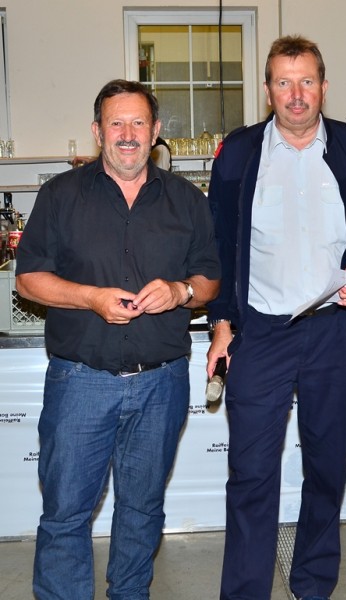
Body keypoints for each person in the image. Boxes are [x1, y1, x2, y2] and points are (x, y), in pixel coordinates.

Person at [206, 35, 346, 600]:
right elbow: (217, 249)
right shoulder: (238, 154)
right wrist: (222, 325)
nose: (296, 94)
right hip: (260, 332)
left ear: (324, 86)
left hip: (332, 330)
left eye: (307, 81)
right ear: (268, 90)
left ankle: (313, 585)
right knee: (250, 473)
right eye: (284, 82)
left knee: (327, 467)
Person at [15, 79, 221, 600]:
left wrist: (179, 291)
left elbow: (209, 280)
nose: (127, 134)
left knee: (142, 509)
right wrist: (90, 298)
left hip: (161, 385)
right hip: (80, 383)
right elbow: (28, 280)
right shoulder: (60, 196)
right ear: (97, 130)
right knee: (66, 513)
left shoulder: (186, 200)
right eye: (116, 123)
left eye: (138, 123)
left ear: (155, 131)